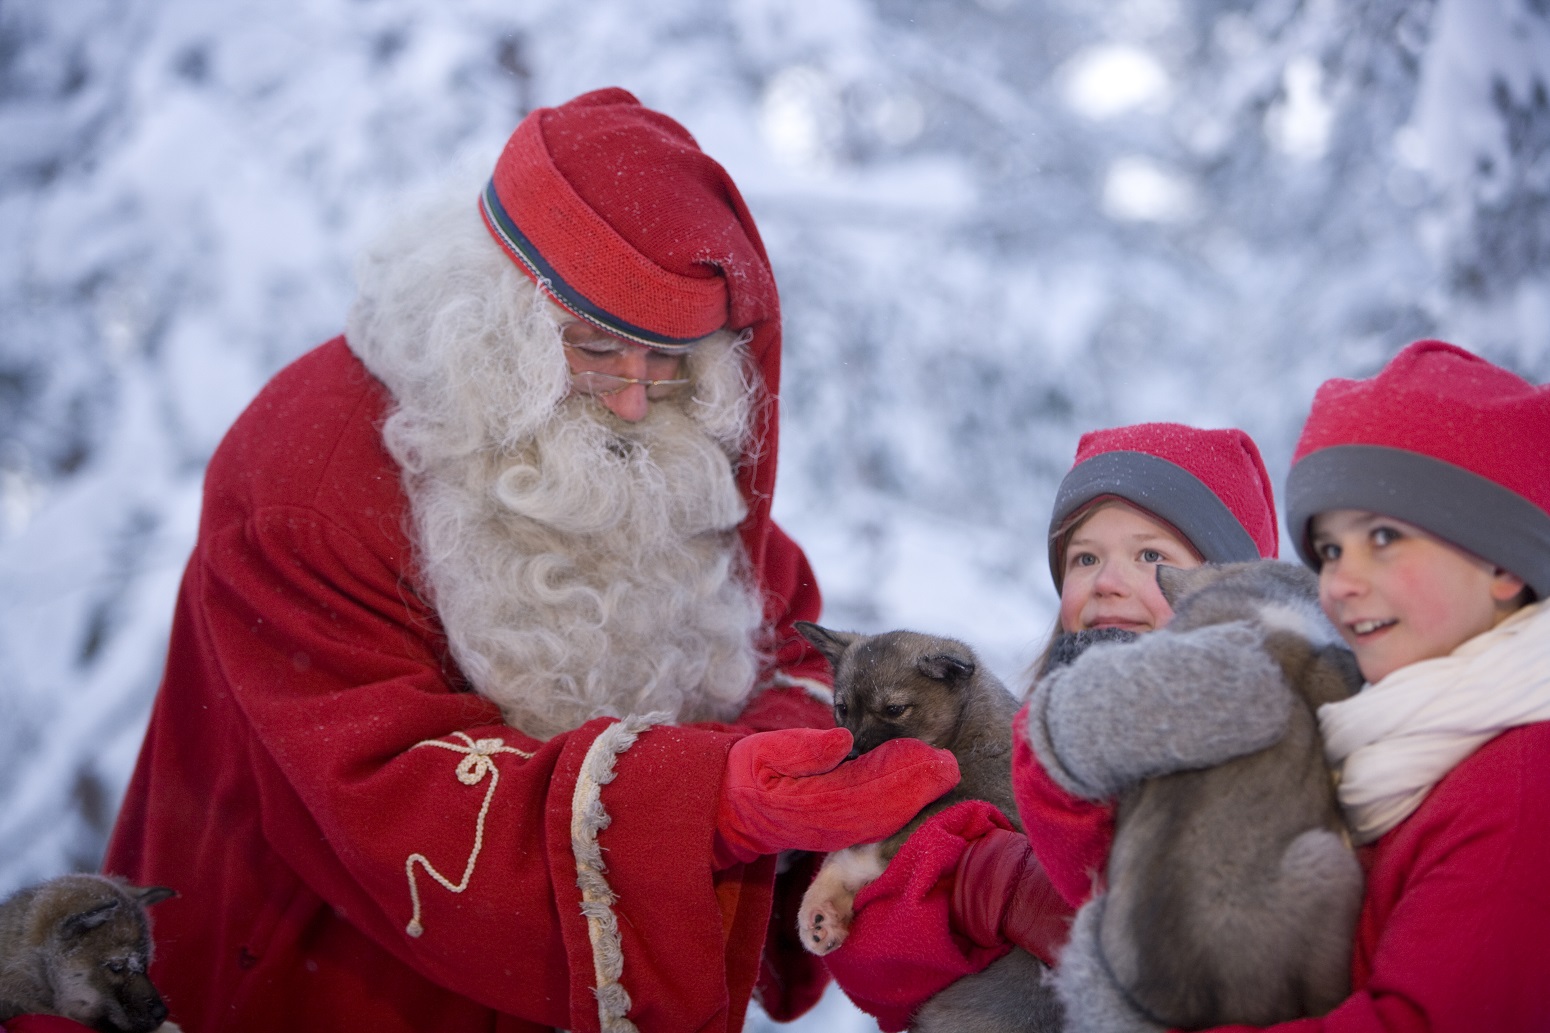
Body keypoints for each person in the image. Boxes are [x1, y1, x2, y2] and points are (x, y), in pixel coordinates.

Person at [92, 88, 960, 1033]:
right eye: (597, 348)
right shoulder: (307, 475)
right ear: (501, 317)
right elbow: (382, 793)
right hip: (323, 977)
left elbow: (766, 608)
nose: (636, 399)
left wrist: (799, 753)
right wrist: (711, 802)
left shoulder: (649, 423)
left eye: (669, 360)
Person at [987, 340, 1549, 1032]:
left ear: (1503, 565)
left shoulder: (1512, 785)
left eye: (1383, 537)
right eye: (1332, 548)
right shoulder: (1401, 739)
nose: (1340, 580)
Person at [822, 421, 1280, 1031]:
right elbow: (875, 967)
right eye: (1085, 557)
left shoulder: (1274, 752)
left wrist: (1011, 891)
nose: (1107, 582)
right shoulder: (1029, 737)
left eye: (1151, 556)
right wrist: (982, 887)